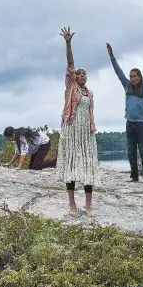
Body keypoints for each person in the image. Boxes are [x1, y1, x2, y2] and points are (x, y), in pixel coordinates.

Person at [56, 27, 101, 216]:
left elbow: (90, 113)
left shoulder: (89, 93)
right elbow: (70, 63)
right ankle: (72, 205)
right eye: (79, 74)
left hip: (86, 133)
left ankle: (89, 205)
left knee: (88, 166)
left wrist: (91, 128)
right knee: (72, 166)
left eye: (84, 74)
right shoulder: (71, 86)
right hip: (72, 130)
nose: (82, 76)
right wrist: (68, 43)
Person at [106, 43, 143, 182]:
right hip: (130, 123)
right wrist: (112, 57)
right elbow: (118, 72)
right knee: (131, 151)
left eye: (135, 76)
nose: (133, 78)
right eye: (131, 76)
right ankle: (134, 175)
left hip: (142, 125)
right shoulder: (127, 86)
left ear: (140, 77)